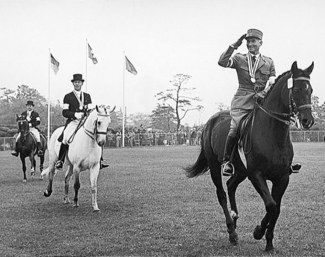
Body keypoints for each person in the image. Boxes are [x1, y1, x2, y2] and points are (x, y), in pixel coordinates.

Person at [218, 28, 276, 176]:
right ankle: (227, 162)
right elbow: (222, 62)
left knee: (279, 123)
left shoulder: (269, 62)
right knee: (235, 128)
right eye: (248, 41)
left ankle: (285, 161)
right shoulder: (239, 58)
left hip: (262, 102)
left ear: (260, 43)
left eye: (253, 41)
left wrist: (263, 93)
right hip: (242, 102)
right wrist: (234, 45)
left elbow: (272, 83)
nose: (250, 44)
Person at [54, 73, 109, 170]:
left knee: (97, 135)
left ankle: (100, 160)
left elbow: (90, 110)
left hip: (84, 122)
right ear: (73, 83)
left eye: (79, 82)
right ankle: (60, 160)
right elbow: (65, 112)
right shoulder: (68, 96)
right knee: (66, 137)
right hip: (73, 122)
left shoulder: (87, 96)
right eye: (75, 82)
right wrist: (75, 115)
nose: (77, 84)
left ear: (81, 83)